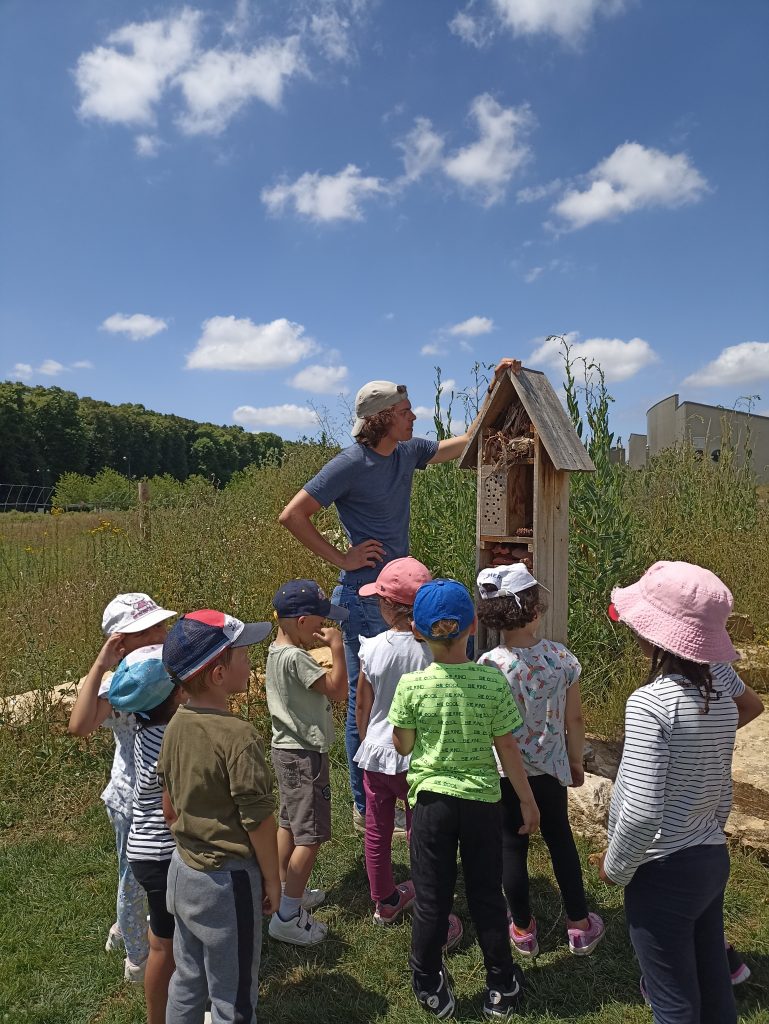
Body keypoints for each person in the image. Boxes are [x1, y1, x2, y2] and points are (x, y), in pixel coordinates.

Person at [279, 360, 521, 831]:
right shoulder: (351, 462)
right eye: (406, 410)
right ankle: (366, 803)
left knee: (403, 690)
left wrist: (495, 387)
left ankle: (404, 787)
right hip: (365, 594)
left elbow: (465, 442)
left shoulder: (407, 452)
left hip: (398, 592)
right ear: (382, 417)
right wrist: (343, 558)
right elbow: (293, 515)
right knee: (365, 699)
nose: (414, 417)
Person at [597, 560, 763, 1024]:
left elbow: (644, 811)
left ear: (653, 635)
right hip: (710, 856)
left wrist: (616, 867)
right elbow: (748, 706)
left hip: (661, 870)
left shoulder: (650, 703)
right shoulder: (717, 690)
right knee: (713, 990)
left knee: (673, 1003)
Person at [389, 579, 539, 1020]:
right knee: (486, 896)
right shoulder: (491, 682)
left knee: (433, 899)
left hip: (432, 804)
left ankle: (428, 979)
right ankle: (500, 982)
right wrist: (527, 802)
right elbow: (507, 747)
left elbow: (403, 746)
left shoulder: (412, 687)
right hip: (481, 803)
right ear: (473, 626)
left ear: (417, 631)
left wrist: (404, 725)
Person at [475, 563, 605, 957]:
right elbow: (575, 719)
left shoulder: (489, 665)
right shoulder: (562, 659)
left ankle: (522, 928)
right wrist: (576, 761)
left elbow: (488, 728)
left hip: (505, 774)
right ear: (535, 610)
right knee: (561, 842)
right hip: (551, 770)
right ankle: (579, 924)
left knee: (511, 848)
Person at [158, 610, 279, 1024]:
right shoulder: (239, 737)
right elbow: (258, 821)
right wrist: (273, 878)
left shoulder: (175, 724)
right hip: (227, 884)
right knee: (233, 996)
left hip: (182, 872)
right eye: (243, 654)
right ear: (218, 673)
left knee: (188, 980)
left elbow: (168, 805)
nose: (250, 661)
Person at [68, 592, 176, 982]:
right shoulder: (122, 686)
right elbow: (79, 726)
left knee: (152, 874)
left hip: (169, 797)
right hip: (132, 801)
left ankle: (127, 926)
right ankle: (136, 957)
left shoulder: (165, 674)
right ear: (120, 642)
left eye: (161, 626)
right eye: (145, 632)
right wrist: (101, 664)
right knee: (132, 880)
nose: (159, 635)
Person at [265, 579, 348, 946]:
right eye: (319, 621)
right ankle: (288, 915)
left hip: (285, 751)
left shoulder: (275, 651)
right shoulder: (298, 658)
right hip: (304, 754)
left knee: (289, 823)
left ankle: (283, 889)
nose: (323, 627)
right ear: (300, 621)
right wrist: (338, 649)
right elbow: (337, 689)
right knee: (310, 837)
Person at [109, 645, 184, 1024]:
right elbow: (175, 802)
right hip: (165, 852)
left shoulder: (142, 728)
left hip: (143, 849)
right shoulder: (171, 734)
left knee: (161, 943)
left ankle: (159, 1017)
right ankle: (180, 1011)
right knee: (173, 945)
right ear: (173, 696)